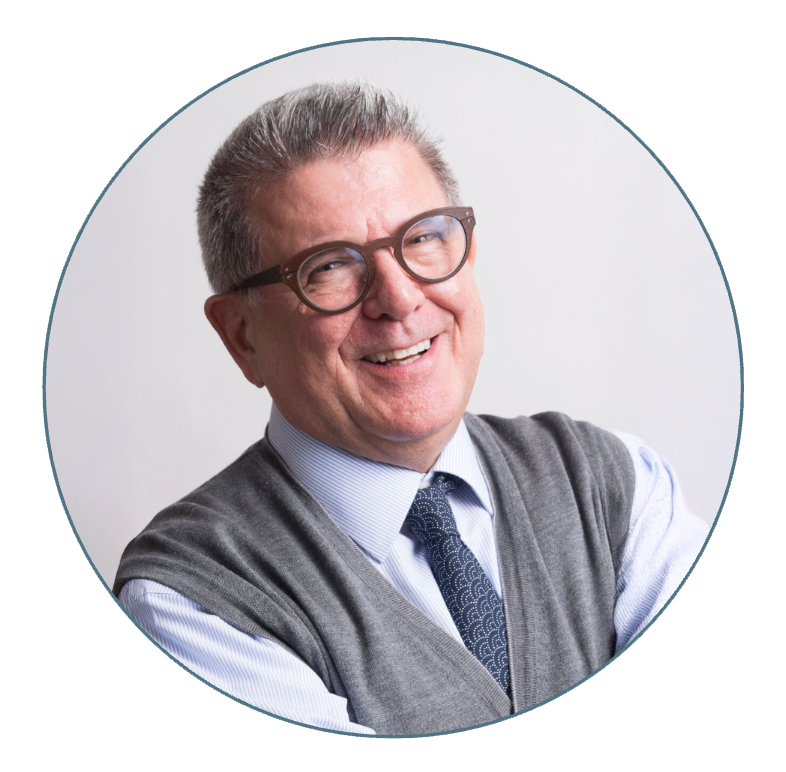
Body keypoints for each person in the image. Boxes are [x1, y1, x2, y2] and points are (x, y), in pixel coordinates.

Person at [113, 82, 708, 736]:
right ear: (242, 336)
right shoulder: (192, 598)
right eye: (329, 267)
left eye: (422, 238)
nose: (399, 298)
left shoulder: (616, 485)